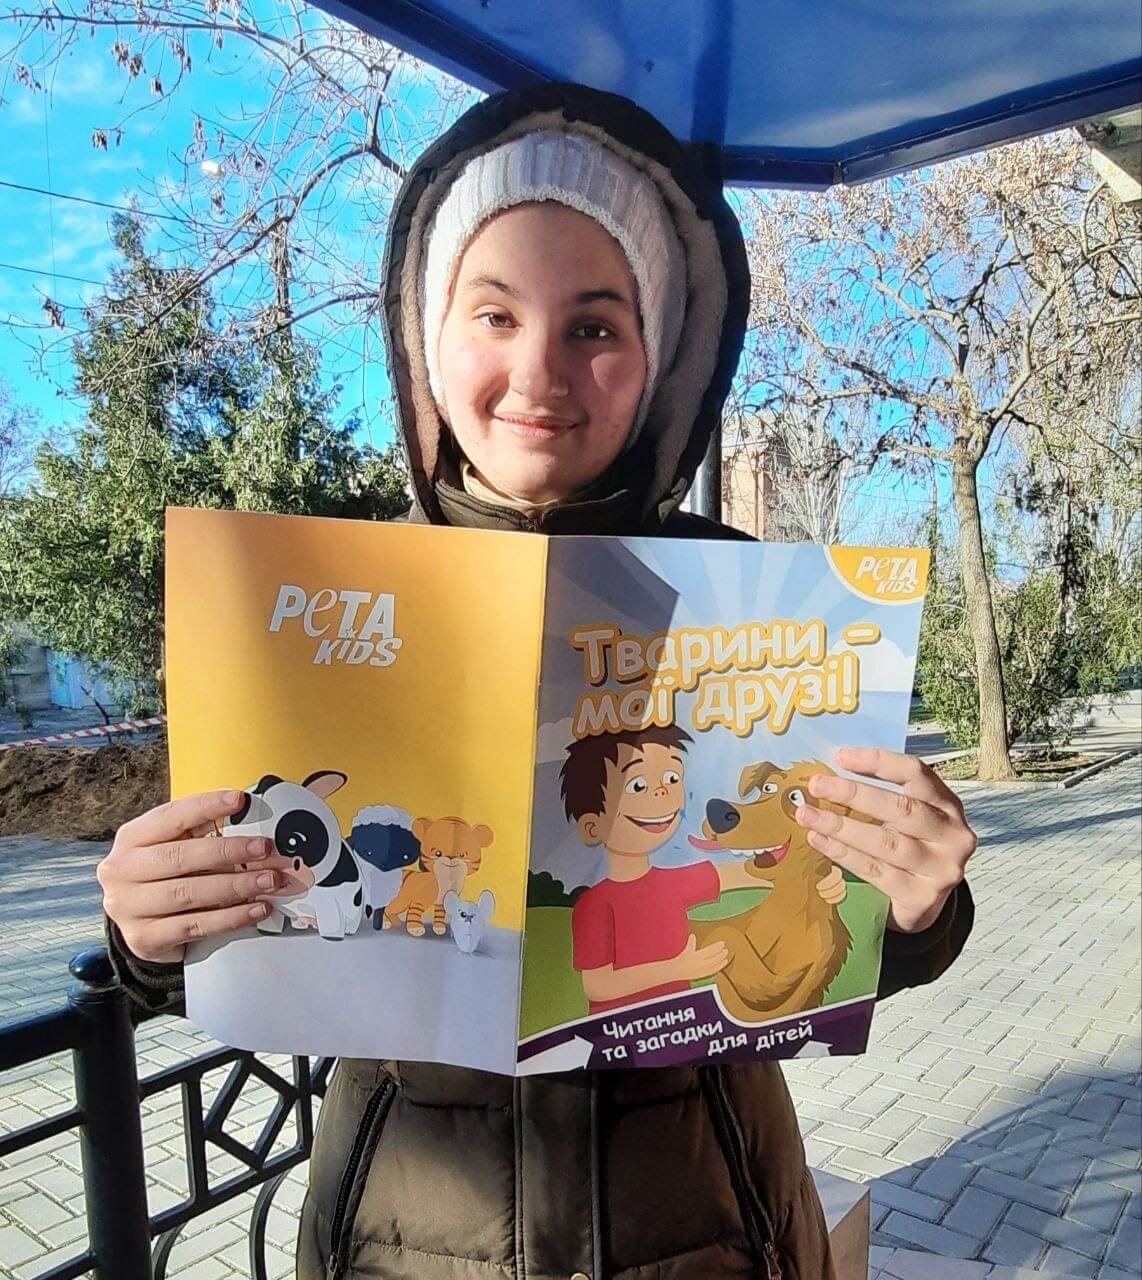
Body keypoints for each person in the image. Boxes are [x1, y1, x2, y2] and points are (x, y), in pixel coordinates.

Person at [98, 82, 978, 1280]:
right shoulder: (314, 598)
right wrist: (147, 924)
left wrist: (918, 899)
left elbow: (844, 917)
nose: (539, 373)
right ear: (427, 337)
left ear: (658, 354)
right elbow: (211, 901)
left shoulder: (755, 600)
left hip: (711, 1218)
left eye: (594, 325)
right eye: (494, 313)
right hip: (401, 1231)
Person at [562, 725, 847, 1014]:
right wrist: (677, 969)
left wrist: (823, 873)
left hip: (680, 1028)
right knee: (727, 939)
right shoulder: (595, 904)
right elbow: (597, 985)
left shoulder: (674, 883)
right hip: (618, 1043)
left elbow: (750, 872)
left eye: (671, 778)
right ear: (592, 826)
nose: (662, 791)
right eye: (637, 785)